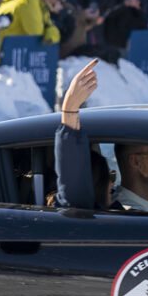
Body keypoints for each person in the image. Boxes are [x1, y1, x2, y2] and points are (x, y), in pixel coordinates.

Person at [53, 59, 117, 211]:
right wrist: (69, 108)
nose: (113, 184)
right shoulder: (82, 213)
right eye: (111, 176)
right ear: (93, 183)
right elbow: (75, 190)